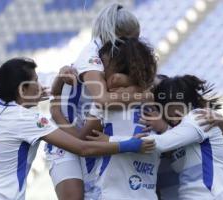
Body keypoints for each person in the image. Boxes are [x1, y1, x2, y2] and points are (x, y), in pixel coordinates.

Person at [0, 57, 155, 200]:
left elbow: (0, 148)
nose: (41, 85)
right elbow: (83, 148)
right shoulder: (26, 119)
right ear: (22, 90)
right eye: (35, 80)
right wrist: (130, 145)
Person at [47, 3, 151, 200]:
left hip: (91, 132)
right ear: (115, 35)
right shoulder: (91, 55)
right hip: (65, 136)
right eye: (131, 39)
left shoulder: (113, 53)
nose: (134, 45)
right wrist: (144, 94)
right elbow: (103, 99)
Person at [102, 75, 223, 199]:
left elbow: (161, 143)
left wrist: (109, 141)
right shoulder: (179, 131)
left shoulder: (199, 117)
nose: (173, 116)